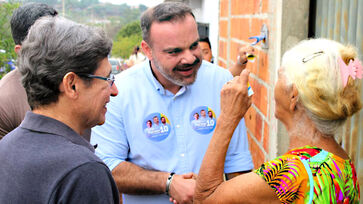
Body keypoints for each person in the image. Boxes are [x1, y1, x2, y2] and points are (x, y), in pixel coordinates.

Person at [91, 2, 253, 204]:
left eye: (194, 46)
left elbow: (238, 164)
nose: (189, 58)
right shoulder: (119, 92)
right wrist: (168, 183)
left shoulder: (221, 81)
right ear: (147, 50)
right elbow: (106, 166)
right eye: (174, 52)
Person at [194, 39, 361, 203]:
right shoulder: (341, 160)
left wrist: (228, 117)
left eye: (280, 76)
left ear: (293, 95)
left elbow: (204, 198)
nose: (275, 84)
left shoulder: (291, 174)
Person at [0, 16, 120, 203]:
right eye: (107, 79)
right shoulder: (83, 171)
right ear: (72, 85)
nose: (114, 91)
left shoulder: (6, 147)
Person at [0, 2, 58, 139]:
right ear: (21, 52)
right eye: (47, 43)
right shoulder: (5, 101)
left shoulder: (73, 79)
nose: (59, 47)